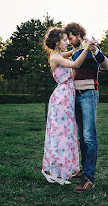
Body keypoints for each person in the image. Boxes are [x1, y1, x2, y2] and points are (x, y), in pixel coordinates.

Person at [41, 27, 93, 185]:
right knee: (60, 136)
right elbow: (76, 63)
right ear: (57, 42)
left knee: (63, 135)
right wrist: (87, 48)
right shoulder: (56, 58)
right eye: (64, 40)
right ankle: (55, 172)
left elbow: (71, 53)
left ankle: (55, 170)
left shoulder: (58, 55)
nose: (67, 42)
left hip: (65, 98)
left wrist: (79, 47)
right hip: (62, 99)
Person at [64, 22, 108, 193]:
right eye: (67, 39)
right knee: (82, 137)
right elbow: (73, 65)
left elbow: (106, 65)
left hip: (89, 95)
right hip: (76, 97)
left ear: (78, 34)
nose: (69, 41)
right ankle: (84, 170)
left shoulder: (91, 46)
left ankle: (89, 178)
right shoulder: (76, 52)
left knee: (89, 136)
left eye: (71, 37)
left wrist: (96, 50)